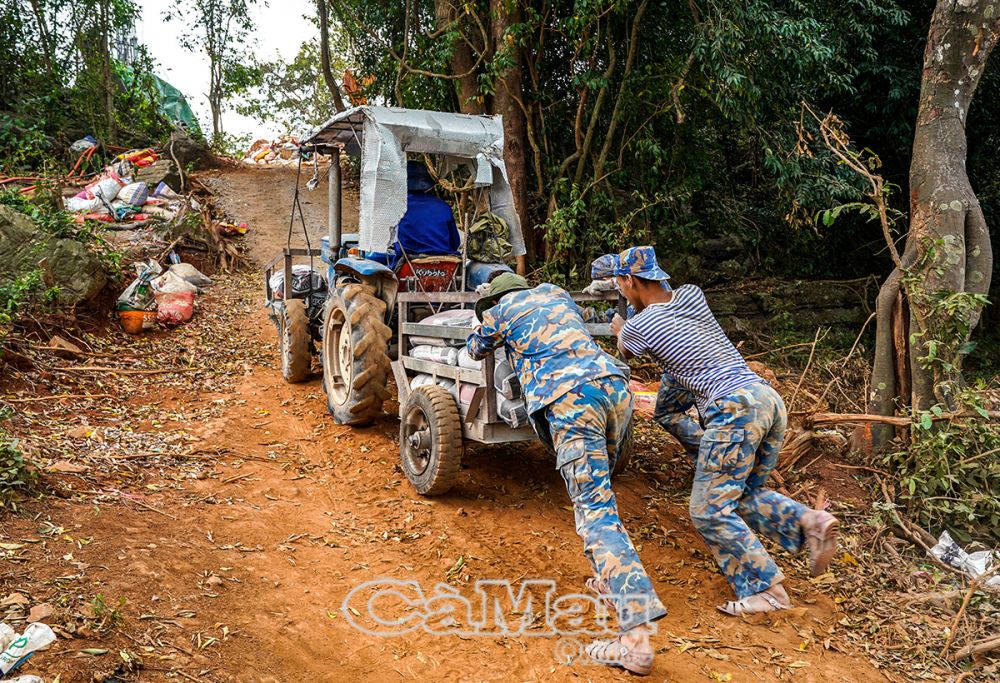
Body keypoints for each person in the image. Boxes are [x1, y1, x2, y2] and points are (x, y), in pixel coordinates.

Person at [606, 246, 839, 616]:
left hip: (734, 409)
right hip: (766, 400)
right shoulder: (693, 295)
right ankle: (810, 522)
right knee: (740, 494)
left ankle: (767, 593)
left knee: (708, 510)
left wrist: (620, 327)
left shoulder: (639, 326)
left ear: (629, 281)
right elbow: (681, 354)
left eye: (620, 286)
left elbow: (626, 350)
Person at [466, 273, 665, 675]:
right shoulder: (554, 293)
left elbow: (474, 350)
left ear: (497, 298)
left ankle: (636, 638)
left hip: (572, 402)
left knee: (595, 513)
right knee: (601, 495)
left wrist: (482, 326)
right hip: (613, 389)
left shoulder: (499, 312)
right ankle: (609, 581)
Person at [370, 159, 461, 268]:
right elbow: (455, 243)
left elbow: (382, 240)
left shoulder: (396, 207)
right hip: (445, 266)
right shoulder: (444, 207)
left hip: (408, 265)